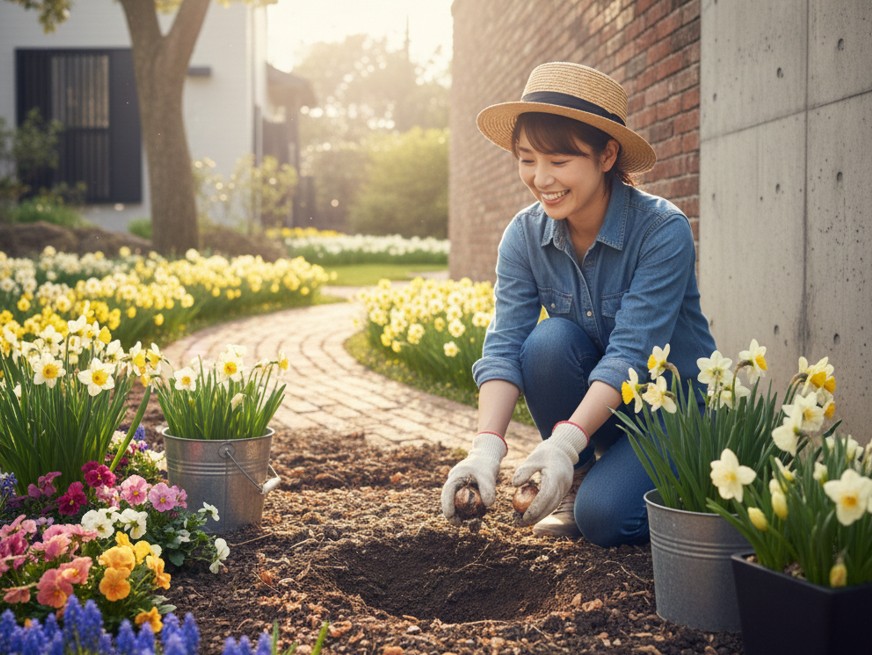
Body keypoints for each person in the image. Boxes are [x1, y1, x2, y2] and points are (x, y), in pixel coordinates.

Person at [440, 62, 716, 546]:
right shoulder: (524, 235)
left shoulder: (661, 231)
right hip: (603, 416)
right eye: (527, 159)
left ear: (607, 155)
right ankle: (582, 475)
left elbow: (630, 355)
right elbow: (504, 346)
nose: (540, 178)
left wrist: (563, 443)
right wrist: (485, 449)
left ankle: (695, 485)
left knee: (604, 519)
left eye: (559, 160)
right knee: (546, 342)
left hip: (672, 412)